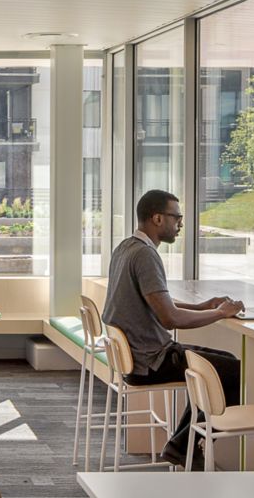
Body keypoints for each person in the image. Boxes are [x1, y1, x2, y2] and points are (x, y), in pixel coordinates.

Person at [102, 189, 244, 470]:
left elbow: (159, 301)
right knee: (234, 372)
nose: (180, 224)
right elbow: (170, 319)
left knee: (218, 365)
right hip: (151, 361)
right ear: (157, 218)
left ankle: (182, 445)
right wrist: (219, 313)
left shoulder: (126, 248)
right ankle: (184, 446)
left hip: (138, 357)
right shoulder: (145, 255)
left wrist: (203, 307)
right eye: (176, 217)